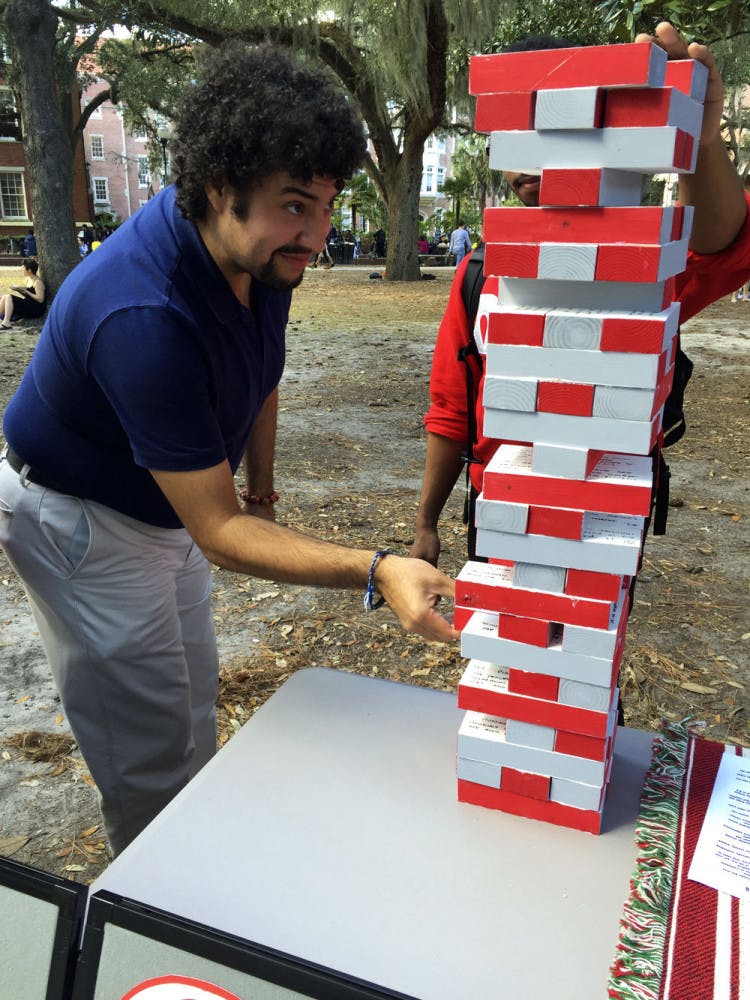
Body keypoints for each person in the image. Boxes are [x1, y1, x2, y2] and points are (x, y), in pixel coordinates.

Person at [0, 43, 457, 857]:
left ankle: (194, 853)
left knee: (189, 695)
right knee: (149, 751)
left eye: (326, 204)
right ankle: (157, 904)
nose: (315, 235)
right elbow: (218, 534)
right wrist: (377, 566)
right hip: (81, 522)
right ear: (218, 188)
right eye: (293, 207)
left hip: (160, 506)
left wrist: (266, 496)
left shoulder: (257, 261)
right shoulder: (142, 314)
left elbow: (258, 377)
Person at [412, 23, 750, 568]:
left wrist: (699, 146)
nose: (526, 159)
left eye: (552, 127)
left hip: (601, 519)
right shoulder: (481, 269)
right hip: (501, 505)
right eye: (515, 130)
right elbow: (452, 407)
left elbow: (722, 251)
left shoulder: (639, 257)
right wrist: (426, 522)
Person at [0, 260, 46, 328]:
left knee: (8, 297)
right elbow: (30, 296)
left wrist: (26, 291)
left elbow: (40, 299)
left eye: (23, 268)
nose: (22, 269)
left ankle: (7, 322)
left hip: (35, 308)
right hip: (28, 304)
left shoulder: (38, 282)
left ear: (29, 270)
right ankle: (5, 320)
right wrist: (19, 290)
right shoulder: (28, 279)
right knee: (4, 297)